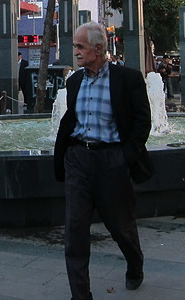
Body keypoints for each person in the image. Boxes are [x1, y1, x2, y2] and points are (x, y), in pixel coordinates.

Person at [53, 22, 151, 296]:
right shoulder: (74, 82)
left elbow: (142, 123)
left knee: (120, 226)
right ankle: (81, 294)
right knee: (74, 231)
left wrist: (124, 157)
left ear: (98, 48)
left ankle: (135, 264)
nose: (76, 52)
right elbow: (70, 119)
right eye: (75, 46)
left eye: (80, 47)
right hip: (78, 160)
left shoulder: (127, 79)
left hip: (112, 162)